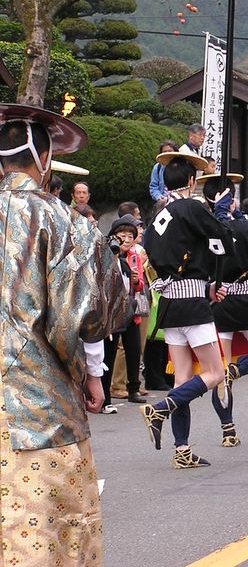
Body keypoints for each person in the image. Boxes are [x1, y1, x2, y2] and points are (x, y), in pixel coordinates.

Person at [0, 104, 128, 565]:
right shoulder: (63, 221)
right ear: (45, 158)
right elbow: (85, 318)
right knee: (47, 529)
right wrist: (90, 374)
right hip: (38, 403)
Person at [139, 151, 234, 469]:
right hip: (192, 304)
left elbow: (154, 252)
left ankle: (182, 449)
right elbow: (223, 240)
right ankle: (162, 408)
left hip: (169, 302)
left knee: (182, 377)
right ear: (192, 182)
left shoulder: (159, 215)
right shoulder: (189, 207)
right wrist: (220, 212)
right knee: (215, 372)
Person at [197, 173, 248, 447]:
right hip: (247, 299)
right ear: (231, 200)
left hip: (217, 300)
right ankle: (241, 371)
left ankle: (228, 429)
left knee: (219, 371)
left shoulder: (203, 228)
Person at [102, 214, 147, 410]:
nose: (127, 239)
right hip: (111, 313)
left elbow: (138, 287)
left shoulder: (134, 257)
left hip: (130, 310)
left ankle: (133, 388)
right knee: (108, 354)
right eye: (122, 235)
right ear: (113, 236)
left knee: (134, 349)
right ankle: (105, 395)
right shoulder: (105, 256)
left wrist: (136, 280)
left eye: (131, 236)